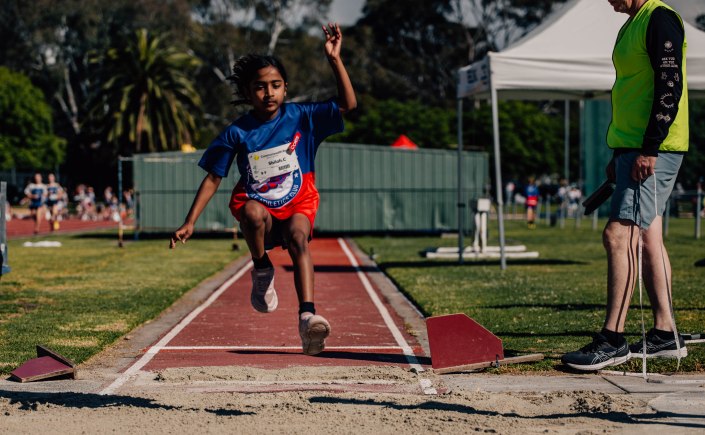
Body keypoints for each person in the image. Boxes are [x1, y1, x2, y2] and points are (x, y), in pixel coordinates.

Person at [170, 23, 356, 356]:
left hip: (299, 200)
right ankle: (261, 266)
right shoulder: (237, 132)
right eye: (259, 87)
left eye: (275, 85)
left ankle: (307, 317)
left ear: (285, 88)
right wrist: (190, 221)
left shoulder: (302, 117)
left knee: (299, 238)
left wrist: (334, 59)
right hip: (259, 205)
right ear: (247, 91)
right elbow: (213, 177)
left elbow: (348, 104)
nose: (268, 93)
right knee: (253, 213)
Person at [562, 0, 689, 370]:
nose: (608, 0)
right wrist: (620, 153)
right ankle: (665, 333)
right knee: (648, 237)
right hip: (633, 149)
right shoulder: (632, 24)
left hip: (653, 150)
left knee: (618, 236)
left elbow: (669, 85)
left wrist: (649, 149)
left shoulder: (659, 18)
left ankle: (612, 339)